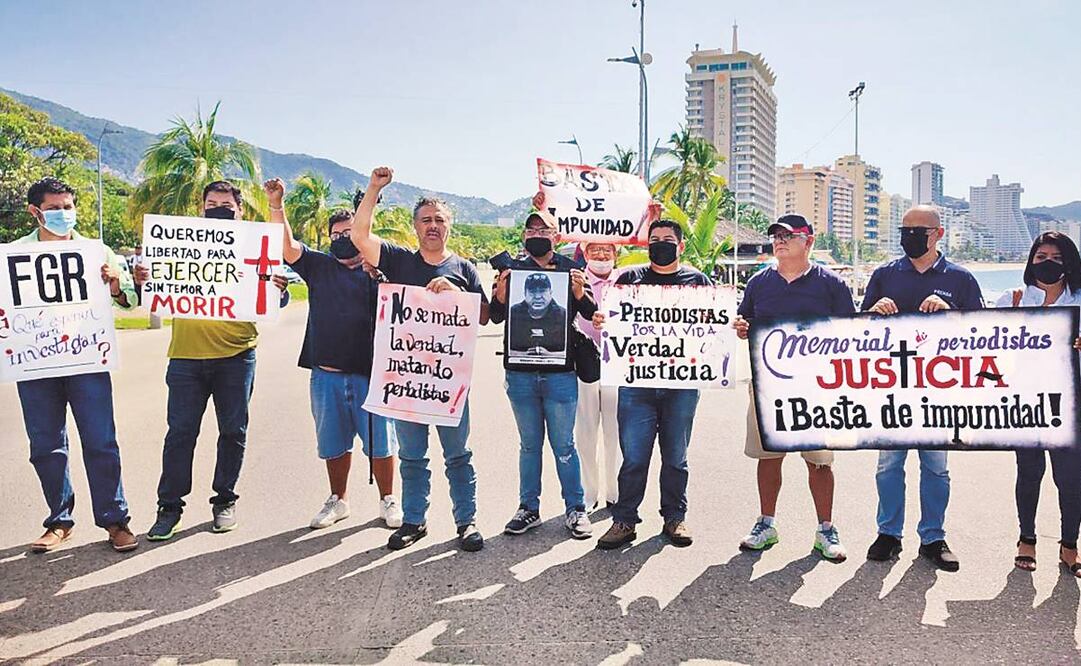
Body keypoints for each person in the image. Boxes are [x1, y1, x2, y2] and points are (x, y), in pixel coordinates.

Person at [137, 180, 290, 541]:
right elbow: (151, 290)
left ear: (239, 212)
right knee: (180, 435)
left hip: (237, 356)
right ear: (201, 207)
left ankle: (224, 500)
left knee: (233, 432)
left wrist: (278, 290)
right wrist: (143, 278)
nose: (218, 208)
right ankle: (169, 507)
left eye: (226, 204)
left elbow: (273, 303)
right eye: (212, 203)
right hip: (186, 359)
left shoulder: (256, 246)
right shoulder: (179, 245)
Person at [350, 167, 488, 552]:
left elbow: (484, 316)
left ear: (449, 227)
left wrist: (457, 295)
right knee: (412, 457)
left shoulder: (464, 269)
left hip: (449, 385)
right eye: (426, 220)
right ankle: (414, 520)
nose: (432, 226)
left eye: (439, 220)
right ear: (414, 227)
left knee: (458, 455)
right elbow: (359, 236)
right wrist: (375, 187)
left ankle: (467, 521)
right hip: (407, 382)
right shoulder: (397, 261)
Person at [264, 178, 403, 530]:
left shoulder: (380, 268)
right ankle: (338, 499)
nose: (343, 239)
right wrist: (276, 204)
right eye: (337, 234)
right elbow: (287, 245)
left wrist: (381, 276)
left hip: (371, 376)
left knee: (381, 444)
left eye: (349, 233)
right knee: (333, 443)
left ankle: (388, 498)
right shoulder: (318, 266)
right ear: (329, 239)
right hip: (326, 375)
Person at [14, 177, 138, 553]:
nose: (63, 214)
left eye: (68, 207)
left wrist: (116, 285)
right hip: (36, 366)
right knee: (46, 446)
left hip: (87, 360)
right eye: (54, 209)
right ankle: (59, 520)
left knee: (101, 441)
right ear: (35, 212)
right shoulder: (12, 255)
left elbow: (129, 300)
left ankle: (115, 520)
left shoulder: (97, 251)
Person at [862, 204, 984, 571]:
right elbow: (856, 332)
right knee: (888, 465)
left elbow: (986, 333)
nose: (910, 237)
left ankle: (933, 537)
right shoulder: (884, 274)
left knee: (935, 466)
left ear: (938, 234)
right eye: (905, 230)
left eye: (920, 231)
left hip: (939, 392)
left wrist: (951, 311)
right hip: (892, 388)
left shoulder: (961, 278)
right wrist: (871, 312)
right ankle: (889, 533)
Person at [732, 215, 852, 561]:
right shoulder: (758, 283)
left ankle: (826, 529)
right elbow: (746, 320)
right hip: (766, 382)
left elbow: (849, 331)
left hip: (815, 386)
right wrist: (742, 327)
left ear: (808, 241)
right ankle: (766, 524)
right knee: (768, 456)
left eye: (788, 235)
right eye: (776, 236)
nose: (779, 241)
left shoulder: (831, 284)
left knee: (819, 461)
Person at [593, 219, 710, 549]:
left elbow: (713, 326)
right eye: (654, 239)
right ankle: (624, 520)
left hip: (682, 385)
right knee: (634, 457)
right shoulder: (629, 279)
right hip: (636, 385)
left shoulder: (697, 281)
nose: (661, 243)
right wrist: (604, 319)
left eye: (668, 239)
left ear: (681, 246)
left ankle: (675, 517)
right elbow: (611, 320)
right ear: (646, 245)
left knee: (676, 456)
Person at [490, 204, 595, 540]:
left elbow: (591, 313)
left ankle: (576, 508)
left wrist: (580, 293)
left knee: (564, 445)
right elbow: (494, 316)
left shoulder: (571, 269)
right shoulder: (512, 271)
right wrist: (501, 295)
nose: (538, 235)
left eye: (544, 230)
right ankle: (528, 509)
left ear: (556, 236)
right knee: (529, 445)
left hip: (561, 374)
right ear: (524, 236)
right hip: (520, 375)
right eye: (532, 231)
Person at [996, 231, 1081, 577]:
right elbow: (983, 345)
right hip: (1026, 404)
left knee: (1071, 479)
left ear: (1070, 262)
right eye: (1041, 256)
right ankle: (1026, 539)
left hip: (1070, 405)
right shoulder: (1013, 299)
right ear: (1031, 261)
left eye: (1057, 257)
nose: (1048, 263)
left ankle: (1069, 545)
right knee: (1029, 473)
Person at [575, 240, 622, 510]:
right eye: (595, 250)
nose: (601, 255)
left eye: (607, 250)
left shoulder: (628, 280)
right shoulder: (577, 281)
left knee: (616, 432)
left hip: (618, 364)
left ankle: (615, 493)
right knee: (586, 431)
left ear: (616, 253)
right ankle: (588, 493)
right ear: (585, 253)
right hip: (585, 363)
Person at [507, 272, 568, 354]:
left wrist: (550, 355)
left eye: (542, 291)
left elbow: (568, 351)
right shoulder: (514, 313)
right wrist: (523, 355)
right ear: (524, 293)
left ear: (550, 293)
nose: (538, 296)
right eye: (532, 291)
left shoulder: (562, 314)